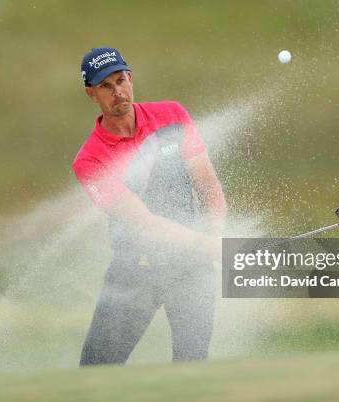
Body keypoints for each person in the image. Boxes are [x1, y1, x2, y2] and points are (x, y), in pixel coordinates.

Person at [72, 47, 226, 366]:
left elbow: (208, 185)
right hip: (134, 272)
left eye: (121, 80)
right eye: (106, 86)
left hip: (191, 268)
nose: (118, 92)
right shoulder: (90, 161)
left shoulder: (172, 115)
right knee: (97, 371)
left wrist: (216, 237)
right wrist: (209, 245)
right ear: (92, 93)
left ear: (130, 78)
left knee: (192, 367)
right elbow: (143, 223)